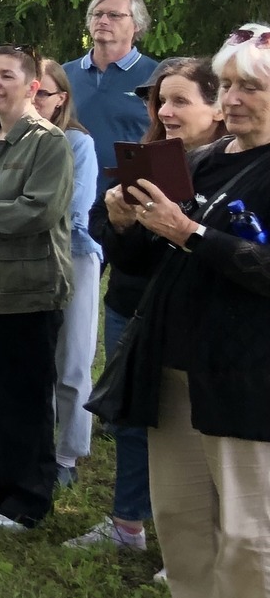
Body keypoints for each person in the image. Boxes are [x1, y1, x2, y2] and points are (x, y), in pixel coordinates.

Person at [91, 23, 270, 598]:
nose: (235, 99)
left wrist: (191, 233)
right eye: (228, 85)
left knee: (248, 530)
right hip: (173, 367)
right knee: (182, 517)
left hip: (245, 374)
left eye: (252, 87)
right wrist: (123, 222)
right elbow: (143, 262)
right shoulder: (205, 161)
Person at [69, 56, 224, 551]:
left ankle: (200, 540)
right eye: (160, 101)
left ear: (218, 107)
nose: (165, 111)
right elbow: (119, 248)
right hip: (132, 308)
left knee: (200, 429)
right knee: (134, 418)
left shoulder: (232, 169)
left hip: (199, 317)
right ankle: (127, 523)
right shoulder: (146, 157)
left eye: (180, 100)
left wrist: (179, 230)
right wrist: (119, 222)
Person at [0, 45, 74, 530]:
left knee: (22, 398)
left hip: (27, 290)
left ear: (32, 86)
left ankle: (27, 498)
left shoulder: (49, 143)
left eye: (6, 75)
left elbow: (38, 211)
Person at [35, 58, 101, 489]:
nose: (34, 100)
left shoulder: (78, 143)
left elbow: (73, 209)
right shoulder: (6, 138)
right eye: (30, 91)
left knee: (72, 359)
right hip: (21, 261)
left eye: (42, 93)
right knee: (34, 360)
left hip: (72, 255)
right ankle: (36, 445)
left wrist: (15, 213)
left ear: (61, 99)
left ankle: (67, 455)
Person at [67, 0, 154, 185]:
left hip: (130, 194)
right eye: (97, 14)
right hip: (70, 193)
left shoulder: (156, 77)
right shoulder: (63, 76)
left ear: (137, 24)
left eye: (114, 15)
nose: (103, 21)